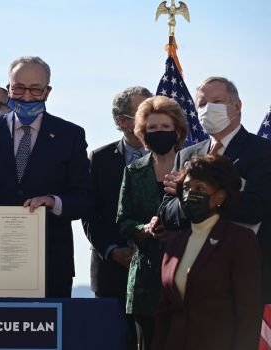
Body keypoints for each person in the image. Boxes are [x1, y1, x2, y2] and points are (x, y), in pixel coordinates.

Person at [0, 56, 92, 297]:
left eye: (35, 90)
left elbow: (84, 199)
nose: (26, 97)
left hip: (50, 261)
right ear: (8, 89)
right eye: (19, 88)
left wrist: (52, 201)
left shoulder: (70, 135)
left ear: (48, 91)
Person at [158, 76, 271, 304]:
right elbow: (167, 212)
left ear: (236, 106)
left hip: (243, 274)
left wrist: (204, 200)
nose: (207, 109)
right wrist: (192, 202)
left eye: (216, 101)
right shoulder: (187, 155)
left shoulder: (262, 152)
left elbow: (256, 207)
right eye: (201, 104)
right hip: (194, 274)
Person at [153, 155, 262, 350]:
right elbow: (165, 312)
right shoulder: (175, 243)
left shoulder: (239, 240)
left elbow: (248, 313)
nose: (190, 195)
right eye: (186, 188)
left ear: (219, 196)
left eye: (200, 189)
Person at [83, 86, 152, 349]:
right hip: (111, 274)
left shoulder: (172, 157)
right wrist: (113, 251)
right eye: (144, 111)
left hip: (157, 274)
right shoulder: (99, 159)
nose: (152, 117)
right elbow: (90, 214)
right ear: (122, 121)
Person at [116, 95, 187, 350]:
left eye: (165, 127)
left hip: (187, 273)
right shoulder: (134, 171)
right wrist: (144, 229)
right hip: (145, 280)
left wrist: (177, 231)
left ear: (177, 130)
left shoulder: (191, 167)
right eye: (152, 128)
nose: (159, 133)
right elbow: (123, 220)